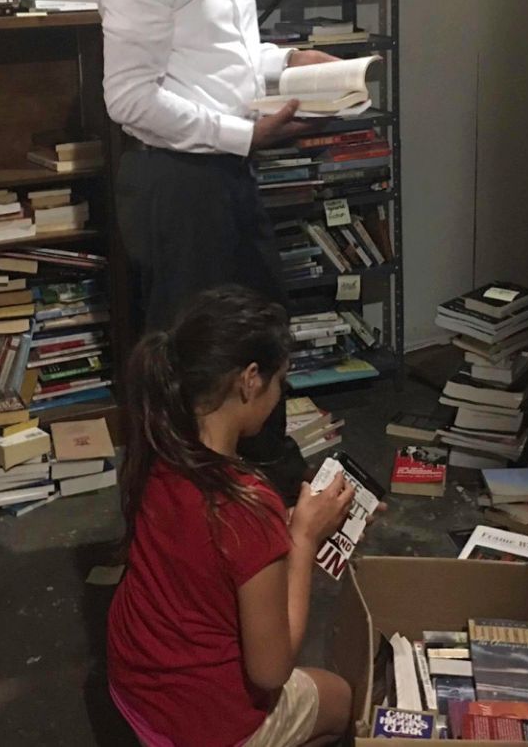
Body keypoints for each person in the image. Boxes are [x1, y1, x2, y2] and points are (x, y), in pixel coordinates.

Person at [98, 0, 339, 504]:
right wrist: (244, 134)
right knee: (193, 361)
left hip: (228, 168)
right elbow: (131, 99)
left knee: (262, 332)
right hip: (174, 181)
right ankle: (182, 513)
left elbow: (227, 59)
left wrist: (288, 62)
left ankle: (264, 492)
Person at [108, 285, 355, 747]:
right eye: (280, 382)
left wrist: (289, 522)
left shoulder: (160, 450)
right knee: (339, 698)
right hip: (200, 729)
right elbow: (271, 670)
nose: (280, 394)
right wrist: (301, 540)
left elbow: (212, 548)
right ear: (249, 379)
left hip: (132, 690)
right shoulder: (246, 504)